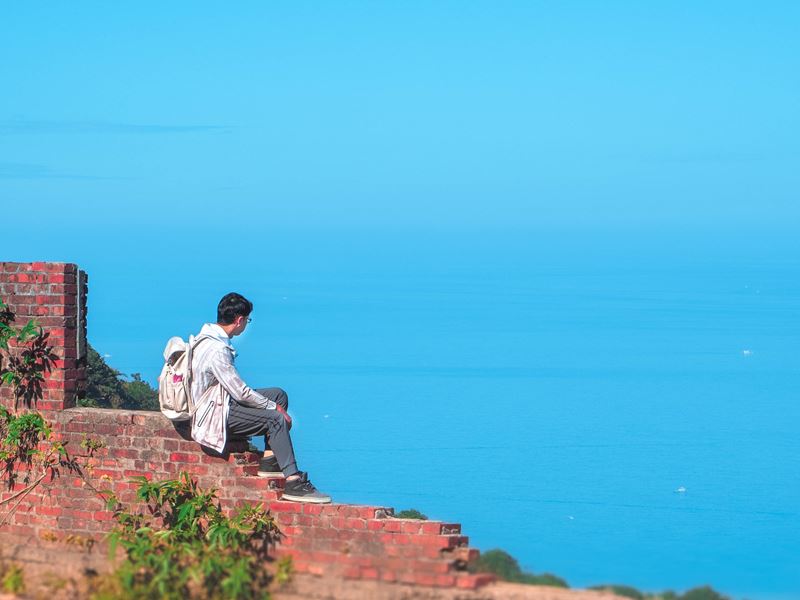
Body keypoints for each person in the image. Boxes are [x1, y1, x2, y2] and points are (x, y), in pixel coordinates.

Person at [190, 292, 331, 504]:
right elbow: (240, 392)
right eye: (247, 320)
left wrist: (274, 402)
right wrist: (274, 408)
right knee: (275, 418)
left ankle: (269, 460)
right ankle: (293, 481)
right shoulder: (217, 350)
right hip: (214, 415)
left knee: (278, 394)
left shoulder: (205, 339)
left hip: (218, 402)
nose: (246, 324)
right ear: (239, 320)